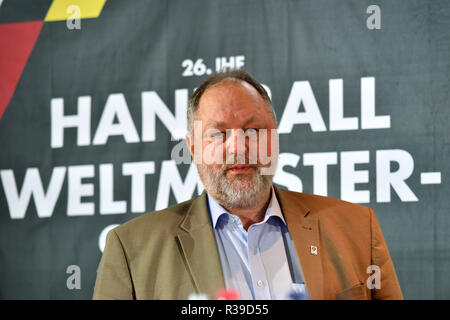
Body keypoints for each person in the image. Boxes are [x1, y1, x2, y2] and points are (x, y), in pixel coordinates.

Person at [93, 69, 403, 300]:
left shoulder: (358, 229)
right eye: (218, 134)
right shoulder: (131, 250)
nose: (238, 147)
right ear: (193, 148)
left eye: (253, 130)